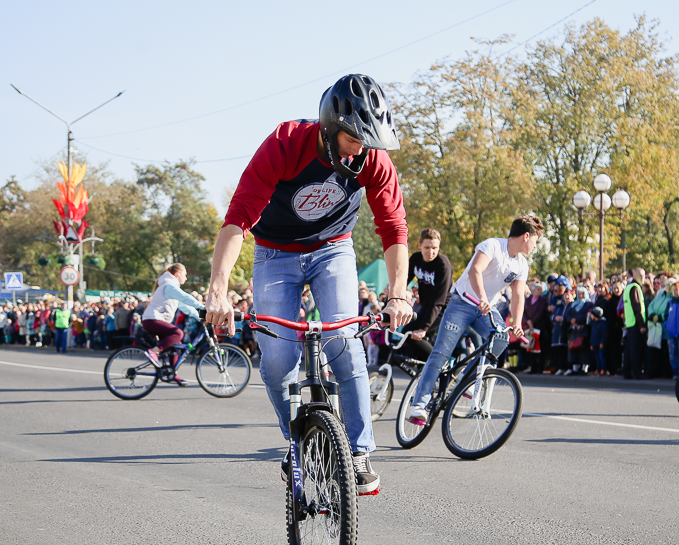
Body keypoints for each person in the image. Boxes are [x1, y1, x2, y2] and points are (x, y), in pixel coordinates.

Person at [205, 74, 412, 496]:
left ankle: (357, 451)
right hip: (275, 252)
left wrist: (398, 292)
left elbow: (393, 229)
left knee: (343, 342)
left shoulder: (373, 159)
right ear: (330, 126)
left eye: (370, 142)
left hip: (334, 249)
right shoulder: (284, 143)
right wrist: (218, 287)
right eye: (355, 140)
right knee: (279, 356)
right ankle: (296, 440)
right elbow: (239, 218)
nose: (363, 151)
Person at [407, 215, 541, 424]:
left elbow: (517, 296)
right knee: (441, 351)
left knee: (501, 339)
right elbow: (474, 271)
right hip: (462, 302)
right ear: (526, 236)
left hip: (485, 309)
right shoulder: (493, 245)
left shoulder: (522, 264)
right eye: (535, 241)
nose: (535, 246)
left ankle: (465, 381)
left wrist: (516, 323)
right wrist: (482, 298)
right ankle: (419, 404)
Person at [142, 263, 204, 385]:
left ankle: (172, 374)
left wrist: (199, 317)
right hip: (151, 320)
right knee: (178, 333)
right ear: (177, 274)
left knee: (177, 345)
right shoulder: (169, 286)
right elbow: (185, 297)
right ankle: (154, 351)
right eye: (185, 275)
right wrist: (203, 306)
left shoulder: (169, 287)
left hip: (155, 320)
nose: (186, 278)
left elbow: (184, 306)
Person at [402, 227, 453, 361]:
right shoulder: (416, 258)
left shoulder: (443, 265)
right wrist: (389, 299)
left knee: (414, 334)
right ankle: (426, 371)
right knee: (412, 335)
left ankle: (440, 364)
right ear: (420, 246)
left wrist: (424, 328)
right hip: (426, 305)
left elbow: (438, 301)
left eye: (434, 248)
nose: (430, 252)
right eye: (427, 248)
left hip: (443, 309)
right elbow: (403, 280)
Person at [622, 268, 647, 379]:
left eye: (643, 275)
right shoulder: (635, 288)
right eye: (640, 275)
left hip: (630, 323)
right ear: (635, 275)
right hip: (636, 324)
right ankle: (637, 373)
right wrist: (641, 325)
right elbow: (637, 307)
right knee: (636, 350)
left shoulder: (628, 287)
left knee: (629, 350)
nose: (643, 278)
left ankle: (626, 372)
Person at [589, 306, 608, 375]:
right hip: (595, 343)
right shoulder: (594, 323)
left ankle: (603, 369)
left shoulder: (602, 323)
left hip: (600, 343)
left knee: (602, 357)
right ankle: (598, 369)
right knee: (597, 358)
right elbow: (593, 334)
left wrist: (602, 342)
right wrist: (592, 344)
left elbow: (604, 334)